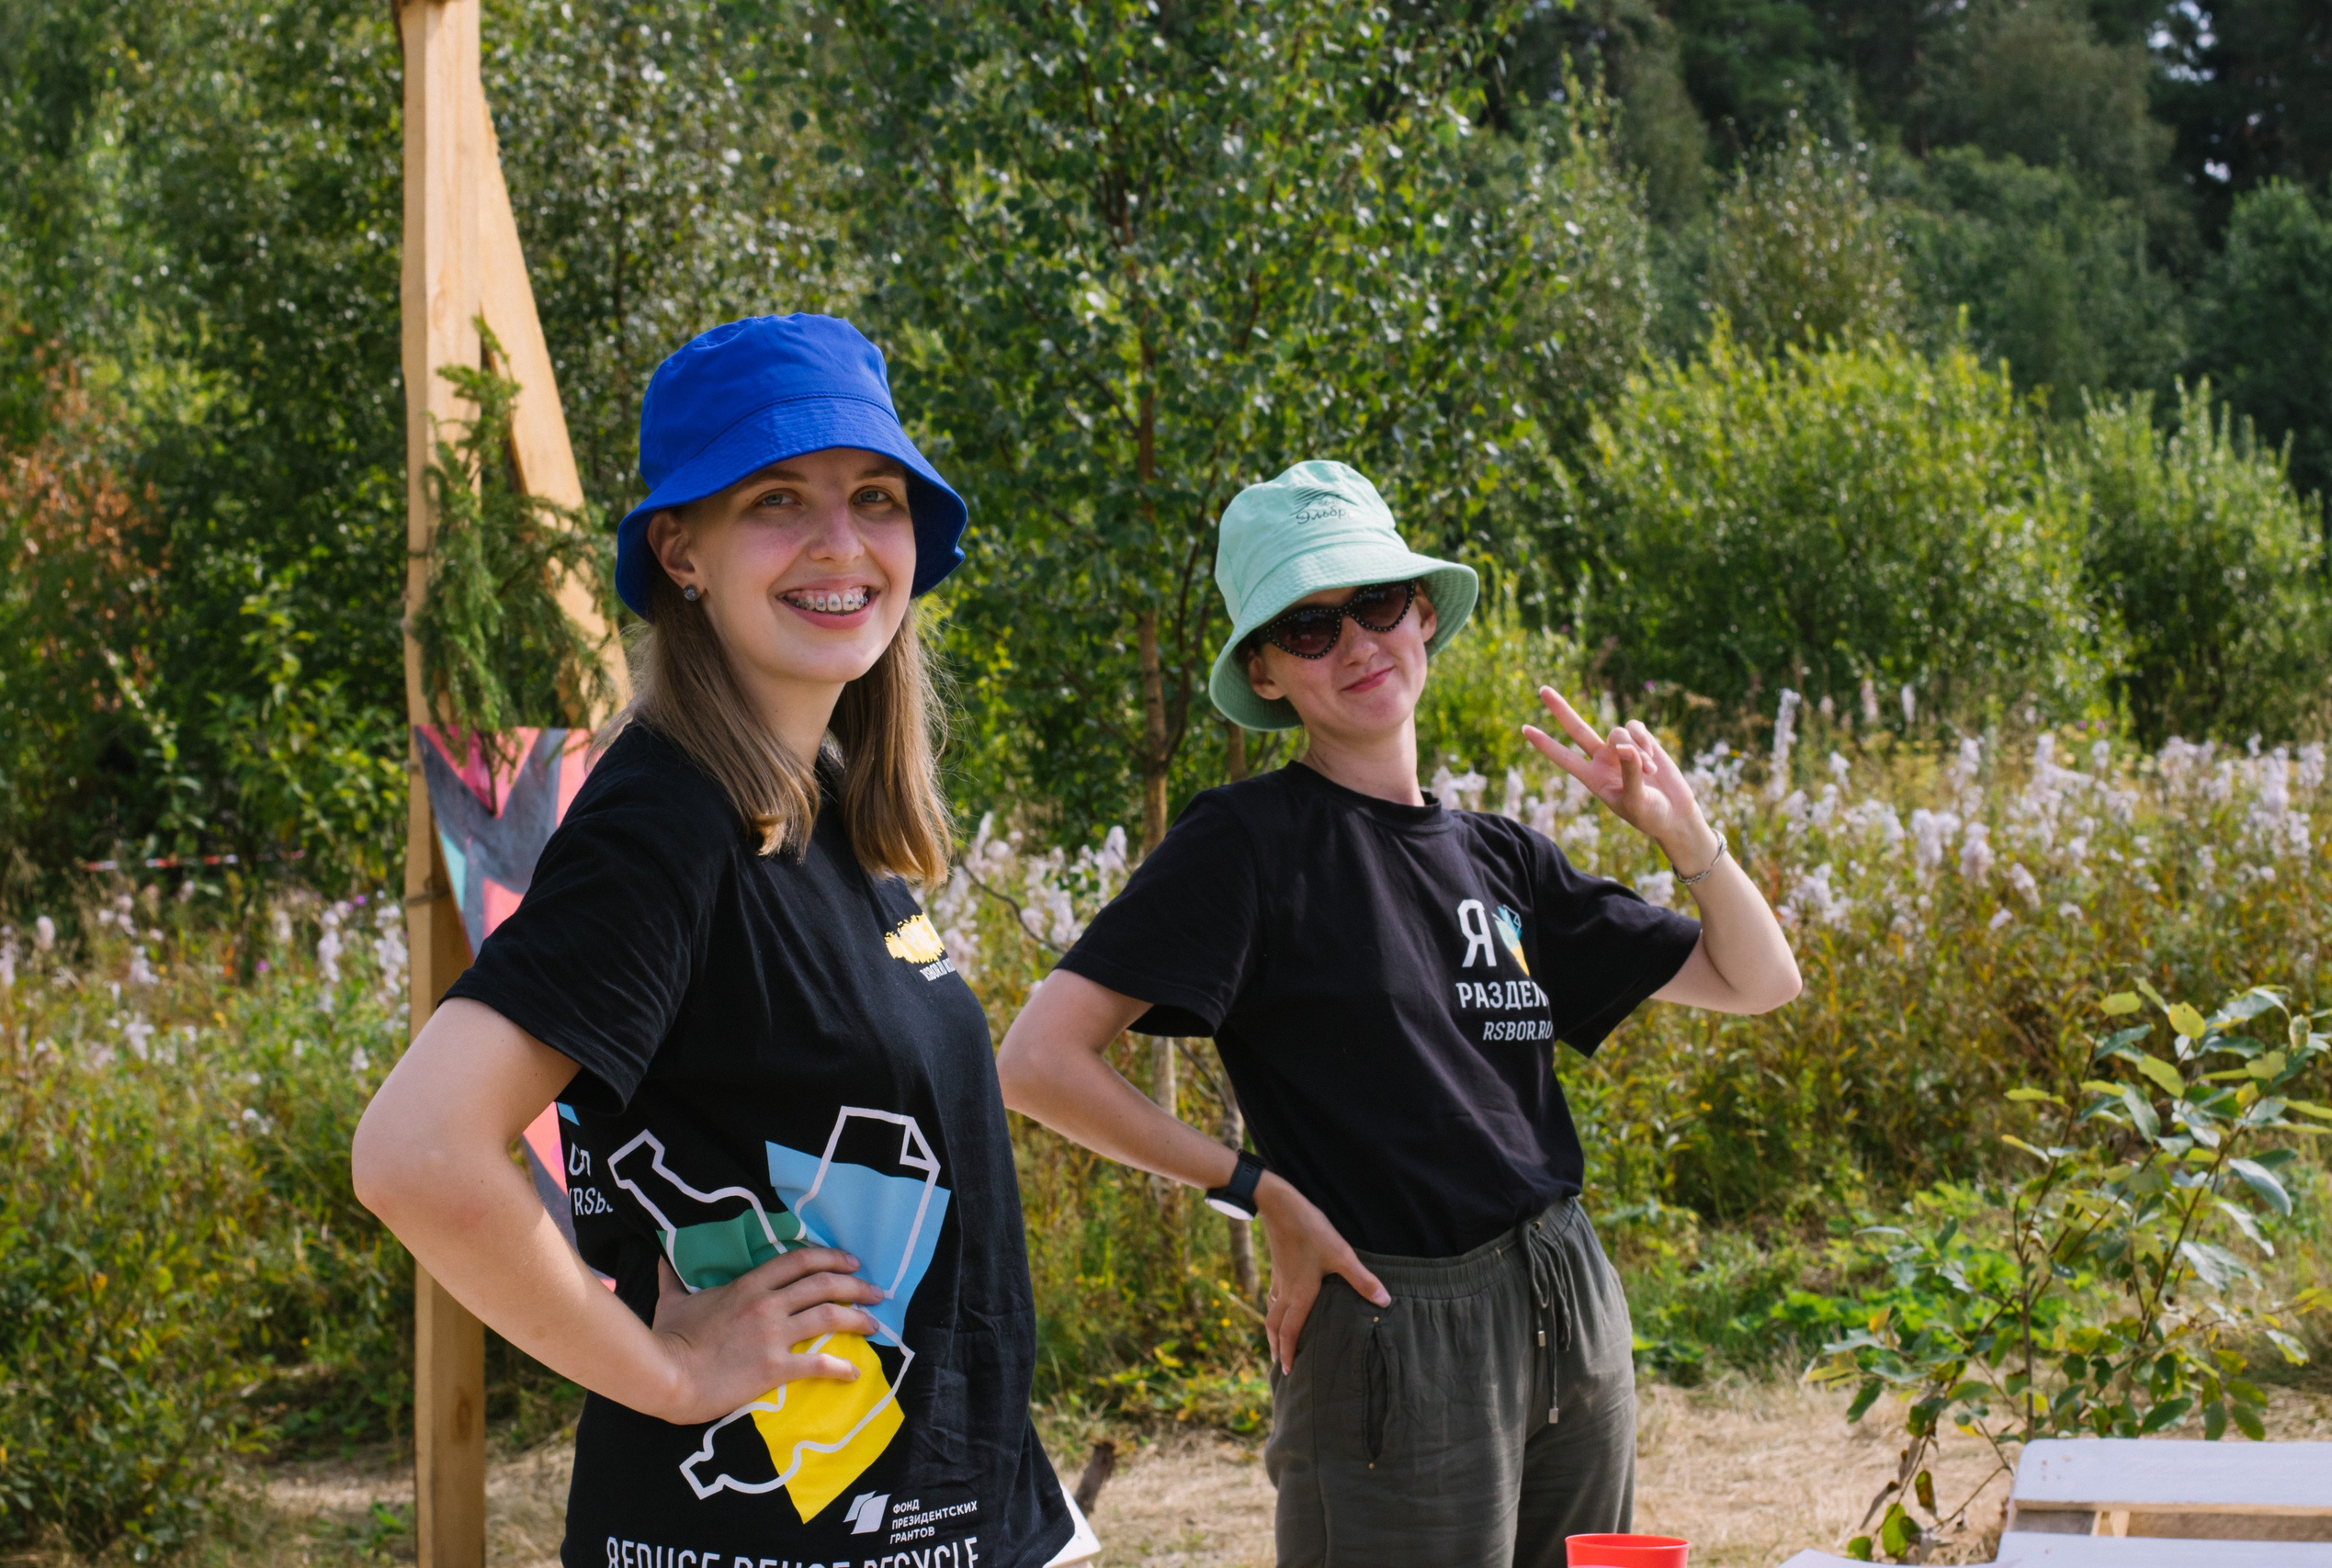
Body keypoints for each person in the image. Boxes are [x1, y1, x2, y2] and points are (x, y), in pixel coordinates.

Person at [354, 314, 1093, 1568]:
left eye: (874, 495)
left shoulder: (820, 803)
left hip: (939, 1518)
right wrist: (671, 1370)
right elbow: (419, 1152)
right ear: (680, 551)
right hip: (758, 1530)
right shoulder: (668, 820)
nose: (841, 542)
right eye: (775, 500)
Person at [997, 460, 1801, 1568]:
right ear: (1267, 673)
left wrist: (1684, 836)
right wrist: (1255, 1191)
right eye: (1310, 628)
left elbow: (1757, 982)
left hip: (1566, 1293)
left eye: (1375, 604)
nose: (1358, 644)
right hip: (1391, 1318)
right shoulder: (1249, 843)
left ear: (1421, 612)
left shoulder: (1500, 855)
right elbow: (1036, 1062)